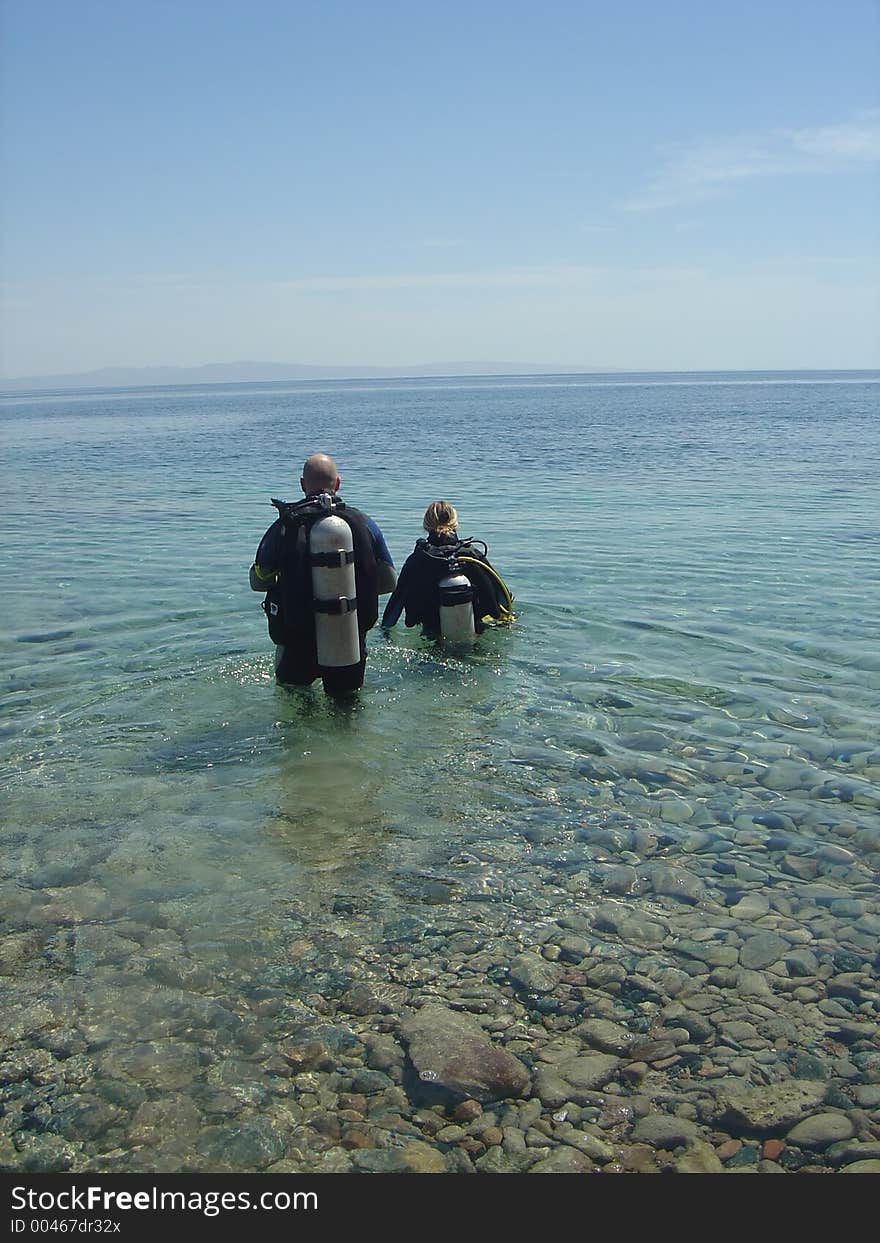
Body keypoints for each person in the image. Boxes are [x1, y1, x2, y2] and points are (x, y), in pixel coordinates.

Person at [250, 453, 396, 692]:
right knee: (347, 710)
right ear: (337, 483)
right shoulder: (363, 523)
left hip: (297, 641)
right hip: (348, 639)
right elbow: (390, 582)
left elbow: (258, 581)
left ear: (302, 484)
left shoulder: (285, 526)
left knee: (294, 706)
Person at [381, 500, 513, 637]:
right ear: (455, 523)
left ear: (426, 525)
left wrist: (384, 633)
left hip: (432, 633)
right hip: (474, 631)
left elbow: (393, 610)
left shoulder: (418, 560)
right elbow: (503, 597)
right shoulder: (472, 555)